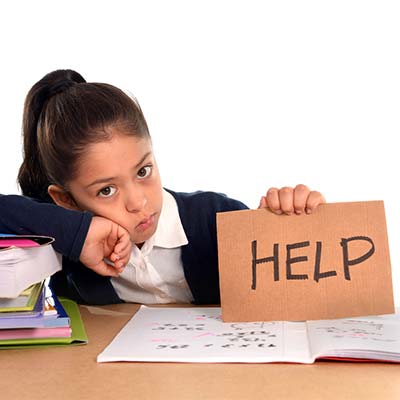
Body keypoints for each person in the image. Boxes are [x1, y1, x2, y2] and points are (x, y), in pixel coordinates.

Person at [0, 69, 325, 305]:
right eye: (106, 191)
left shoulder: (215, 218)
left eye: (143, 170)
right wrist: (77, 233)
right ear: (67, 201)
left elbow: (305, 292)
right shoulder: (66, 252)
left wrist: (292, 222)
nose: (139, 202)